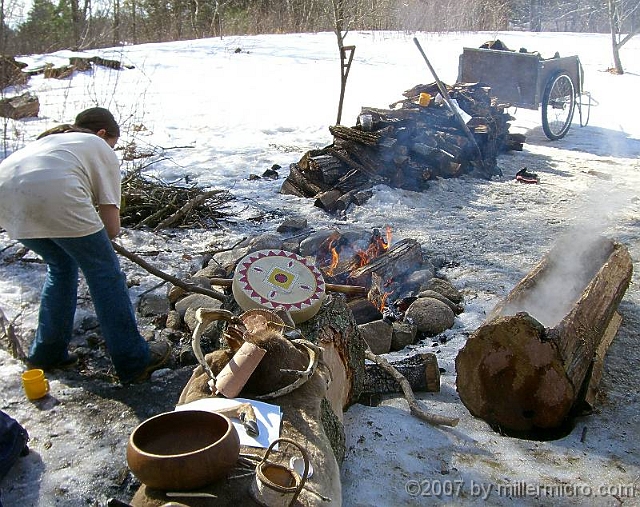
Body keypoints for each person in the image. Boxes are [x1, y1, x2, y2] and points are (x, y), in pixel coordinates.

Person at [0, 107, 170, 384]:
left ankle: (47, 353)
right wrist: (93, 237)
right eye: (113, 143)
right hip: (54, 194)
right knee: (105, 274)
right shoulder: (98, 146)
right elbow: (112, 228)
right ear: (103, 134)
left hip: (6, 197)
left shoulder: (51, 141)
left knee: (61, 266)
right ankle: (133, 360)